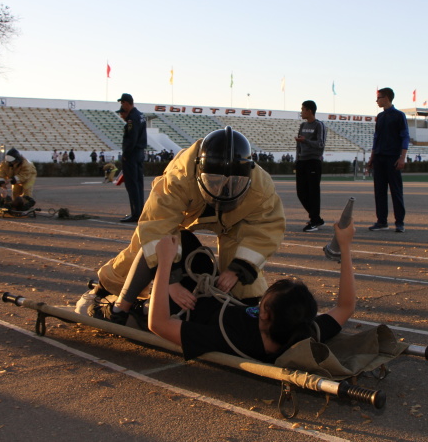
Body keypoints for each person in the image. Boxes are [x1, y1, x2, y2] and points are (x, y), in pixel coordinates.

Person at [77, 126, 285, 317]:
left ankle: (240, 307)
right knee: (142, 249)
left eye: (234, 183)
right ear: (198, 171)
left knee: (245, 280)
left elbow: (266, 229)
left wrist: (237, 269)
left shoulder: (261, 187)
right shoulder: (178, 178)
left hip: (233, 223)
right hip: (187, 212)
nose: (223, 190)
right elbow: (157, 225)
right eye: (214, 181)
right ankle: (104, 290)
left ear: (249, 173)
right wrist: (170, 281)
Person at [143, 219, 355, 362]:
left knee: (161, 240)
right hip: (211, 291)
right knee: (179, 237)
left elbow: (159, 324)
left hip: (183, 303)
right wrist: (345, 247)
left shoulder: (229, 339)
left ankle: (121, 306)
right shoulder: (300, 332)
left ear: (264, 313)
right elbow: (346, 307)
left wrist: (164, 265)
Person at [367, 88, 409, 233]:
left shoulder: (399, 115)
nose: (377, 101)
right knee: (379, 191)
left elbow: (405, 136)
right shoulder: (380, 116)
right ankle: (382, 221)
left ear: (386, 98)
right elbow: (376, 137)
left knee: (396, 190)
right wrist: (372, 157)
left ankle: (399, 222)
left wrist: (402, 157)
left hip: (392, 158)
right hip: (379, 157)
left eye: (378, 98)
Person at [294, 100, 326, 232]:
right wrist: (297, 158)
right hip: (302, 161)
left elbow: (320, 144)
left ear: (309, 110)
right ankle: (316, 218)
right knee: (301, 192)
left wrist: (305, 141)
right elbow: (299, 145)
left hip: (313, 161)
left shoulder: (319, 125)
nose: (301, 112)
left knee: (313, 192)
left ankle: (314, 220)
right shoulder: (302, 125)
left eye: (303, 109)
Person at [116, 93, 147, 223]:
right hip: (139, 153)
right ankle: (139, 212)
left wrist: (125, 155)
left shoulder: (132, 118)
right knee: (138, 184)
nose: (122, 106)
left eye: (122, 103)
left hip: (132, 154)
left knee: (132, 185)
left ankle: (136, 214)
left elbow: (131, 139)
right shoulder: (140, 115)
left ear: (127, 103)